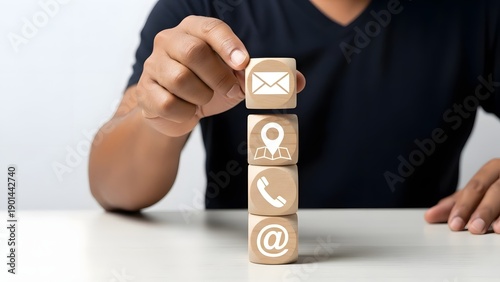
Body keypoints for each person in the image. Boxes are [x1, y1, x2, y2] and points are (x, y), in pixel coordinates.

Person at [88, 0, 500, 235]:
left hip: (424, 260)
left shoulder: (477, 10)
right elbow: (110, 188)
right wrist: (163, 120)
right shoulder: (202, 8)